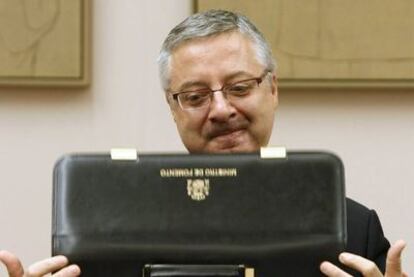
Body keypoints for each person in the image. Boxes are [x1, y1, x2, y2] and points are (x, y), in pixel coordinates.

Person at [0, 9, 407, 277]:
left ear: (273, 89)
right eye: (195, 96)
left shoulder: (353, 230)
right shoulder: (105, 228)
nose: (220, 109)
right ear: (173, 108)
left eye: (239, 87)